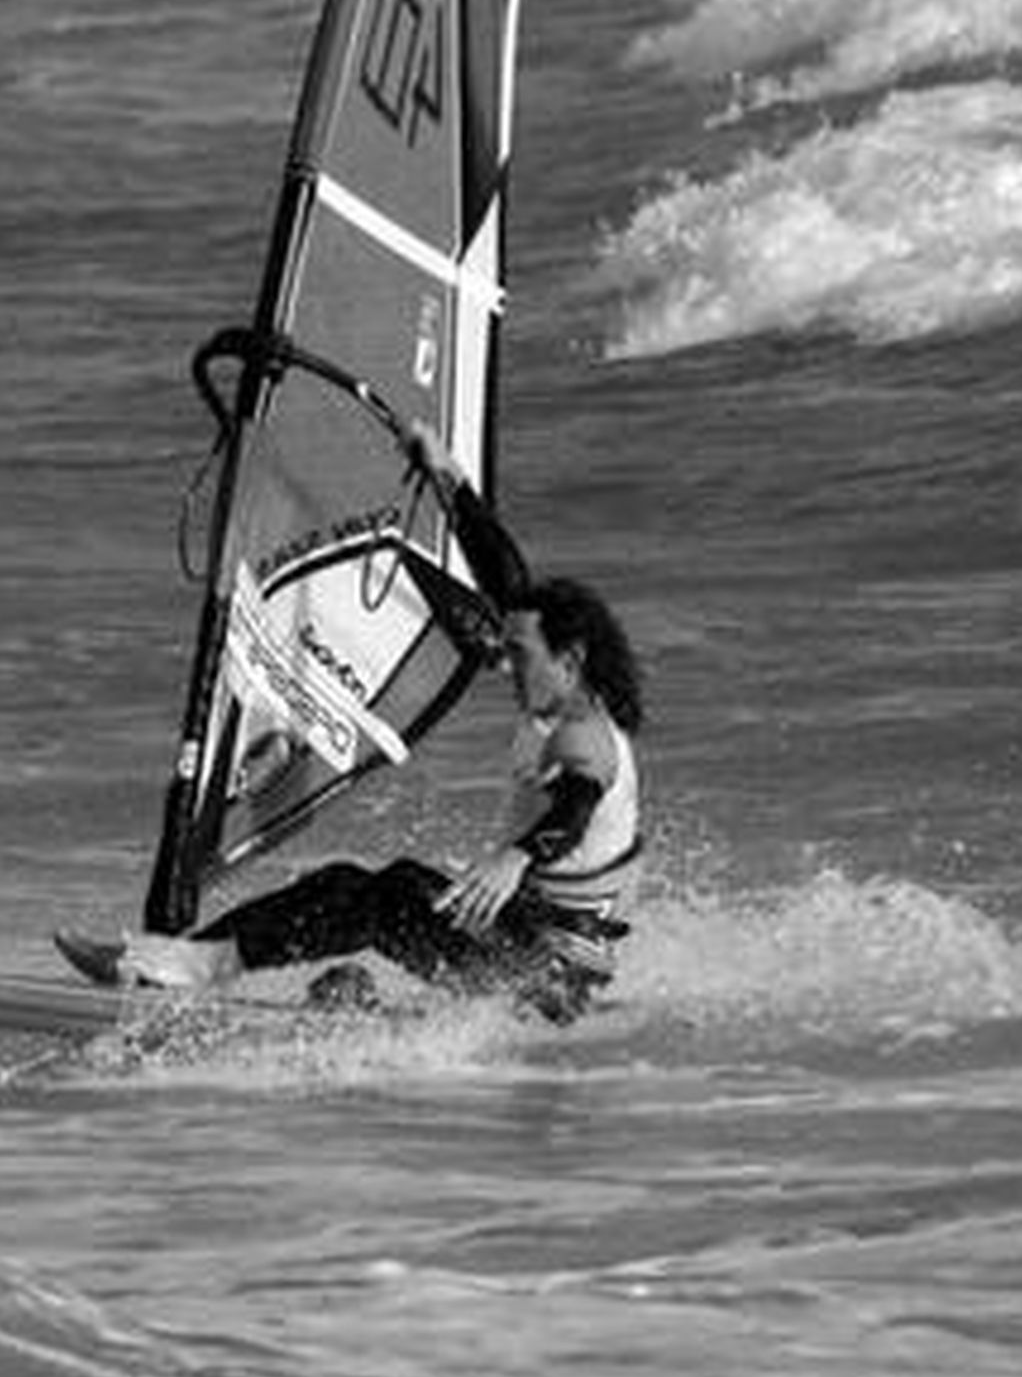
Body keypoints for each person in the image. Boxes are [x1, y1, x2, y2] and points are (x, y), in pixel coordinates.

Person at [120, 424, 645, 1022]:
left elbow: (577, 802)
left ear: (571, 659)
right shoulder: (560, 699)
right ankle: (184, 960)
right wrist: (447, 475)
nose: (508, 666)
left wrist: (518, 856)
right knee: (351, 885)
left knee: (388, 895)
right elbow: (508, 582)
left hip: (546, 982)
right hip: (524, 951)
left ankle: (195, 968)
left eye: (521, 655)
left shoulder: (585, 732)